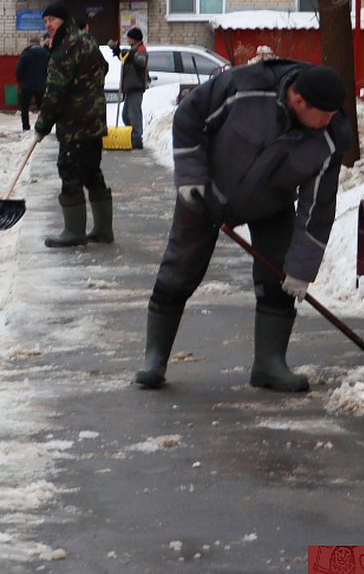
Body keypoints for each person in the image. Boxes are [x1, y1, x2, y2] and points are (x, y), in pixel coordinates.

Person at [133, 60, 351, 392]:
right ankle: (154, 359)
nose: (328, 122)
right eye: (323, 115)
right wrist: (192, 178)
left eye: (333, 116)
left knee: (278, 276)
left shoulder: (329, 140)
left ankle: (269, 364)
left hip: (271, 203)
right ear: (299, 101)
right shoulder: (245, 87)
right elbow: (189, 117)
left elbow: (317, 208)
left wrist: (301, 270)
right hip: (207, 191)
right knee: (180, 269)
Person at [33, 0, 113, 247]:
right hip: (94, 122)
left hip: (76, 125)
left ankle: (74, 231)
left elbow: (55, 91)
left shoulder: (66, 48)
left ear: (64, 21)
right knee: (91, 173)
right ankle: (102, 230)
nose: (48, 25)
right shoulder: (86, 40)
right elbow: (104, 66)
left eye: (52, 20)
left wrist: (42, 126)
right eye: (45, 21)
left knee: (70, 173)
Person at [112, 27, 149, 150]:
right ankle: (130, 136)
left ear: (134, 39)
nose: (127, 40)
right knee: (126, 114)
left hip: (136, 86)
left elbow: (141, 62)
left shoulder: (141, 50)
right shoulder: (133, 50)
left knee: (134, 114)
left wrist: (132, 55)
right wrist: (117, 51)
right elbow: (126, 58)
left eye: (129, 38)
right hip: (130, 86)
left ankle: (137, 139)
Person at [15, 36, 49, 131]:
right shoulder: (45, 54)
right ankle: (43, 127)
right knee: (42, 107)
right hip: (41, 85)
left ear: (30, 43)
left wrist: (21, 80)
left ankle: (26, 127)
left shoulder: (26, 54)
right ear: (38, 43)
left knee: (25, 107)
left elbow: (19, 69)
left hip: (27, 85)